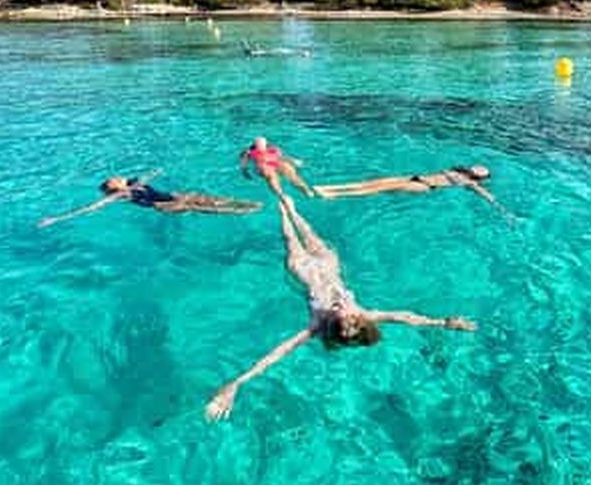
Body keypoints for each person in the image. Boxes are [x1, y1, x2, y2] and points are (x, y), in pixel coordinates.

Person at [205, 197, 476, 420]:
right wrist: (442, 322)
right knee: (307, 228)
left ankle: (280, 204)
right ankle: (290, 205)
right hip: (328, 263)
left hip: (302, 270)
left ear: (334, 325)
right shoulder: (365, 314)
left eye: (339, 317)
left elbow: (277, 353)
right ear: (359, 319)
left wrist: (236, 383)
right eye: (350, 315)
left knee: (290, 235)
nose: (342, 310)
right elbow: (403, 317)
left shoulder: (317, 325)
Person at [38, 173, 261, 227]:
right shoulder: (120, 194)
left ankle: (243, 203)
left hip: (169, 195)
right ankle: (238, 211)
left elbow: (146, 177)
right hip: (160, 205)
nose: (116, 176)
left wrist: (154, 173)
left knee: (202, 197)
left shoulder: (134, 181)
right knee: (195, 206)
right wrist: (57, 219)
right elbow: (91, 207)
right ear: (113, 187)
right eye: (112, 179)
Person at [313, 165, 495, 204]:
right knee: (371, 182)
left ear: (481, 177)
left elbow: (487, 196)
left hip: (424, 186)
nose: (476, 169)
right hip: (415, 176)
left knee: (377, 189)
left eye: (480, 171)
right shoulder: (458, 170)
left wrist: (501, 209)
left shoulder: (471, 183)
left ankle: (335, 194)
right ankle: (331, 187)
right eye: (476, 167)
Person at [240, 136, 314, 198]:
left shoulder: (273, 149)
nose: (260, 145)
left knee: (288, 169)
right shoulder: (248, 152)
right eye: (258, 143)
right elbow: (243, 164)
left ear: (266, 144)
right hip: (264, 166)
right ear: (254, 144)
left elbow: (281, 157)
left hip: (276, 163)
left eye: (262, 143)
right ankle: (281, 195)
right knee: (269, 173)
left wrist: (293, 160)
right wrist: (245, 172)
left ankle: (305, 189)